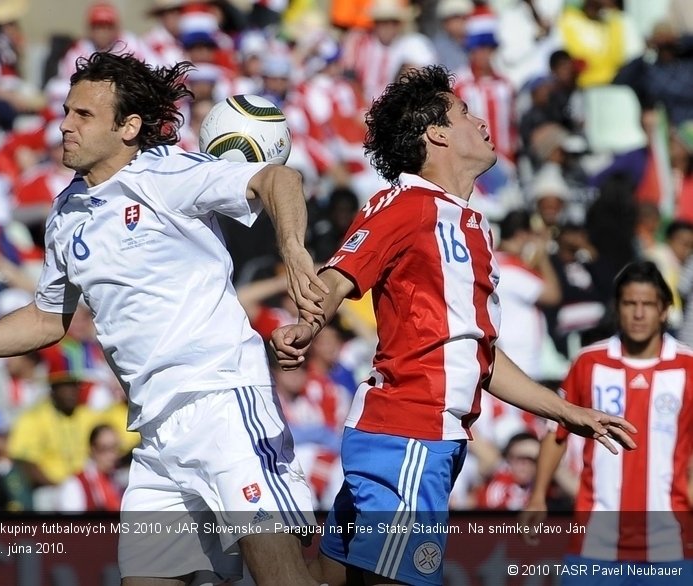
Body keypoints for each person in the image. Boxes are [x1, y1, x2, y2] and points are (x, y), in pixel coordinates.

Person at [0, 51, 326, 586]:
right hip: (154, 435)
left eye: (83, 115)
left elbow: (277, 179)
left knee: (283, 580)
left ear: (129, 127)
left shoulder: (166, 174)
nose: (65, 125)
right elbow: (48, 318)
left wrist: (293, 248)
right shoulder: (64, 215)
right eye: (66, 111)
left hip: (224, 405)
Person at [271, 65, 637, 586]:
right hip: (408, 433)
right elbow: (341, 274)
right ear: (436, 133)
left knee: (331, 576)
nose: (484, 121)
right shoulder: (405, 203)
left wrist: (567, 411)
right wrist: (308, 322)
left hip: (425, 440)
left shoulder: (469, 224)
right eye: (465, 112)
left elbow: (478, 356)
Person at [520, 261, 693, 583]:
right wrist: (538, 494)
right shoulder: (589, 362)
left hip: (670, 541)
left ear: (665, 310)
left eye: (647, 305)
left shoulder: (688, 366)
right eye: (630, 304)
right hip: (594, 540)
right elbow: (556, 431)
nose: (638, 314)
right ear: (617, 307)